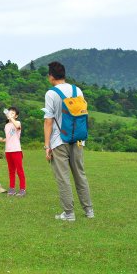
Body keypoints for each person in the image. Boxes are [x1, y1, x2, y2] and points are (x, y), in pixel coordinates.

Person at [43, 62, 94, 221]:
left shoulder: (51, 93)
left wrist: (47, 146)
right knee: (80, 174)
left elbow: (48, 121)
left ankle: (69, 214)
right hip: (78, 139)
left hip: (59, 141)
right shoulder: (77, 90)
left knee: (63, 177)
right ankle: (89, 211)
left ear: (51, 76)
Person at [0, 107, 26, 197]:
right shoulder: (6, 126)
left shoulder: (17, 123)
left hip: (16, 150)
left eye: (13, 113)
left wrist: (11, 118)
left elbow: (17, 127)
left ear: (16, 116)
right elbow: (10, 137)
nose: (10, 114)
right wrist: (3, 140)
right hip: (8, 150)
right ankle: (12, 188)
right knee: (11, 170)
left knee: (19, 170)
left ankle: (22, 189)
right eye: (9, 112)